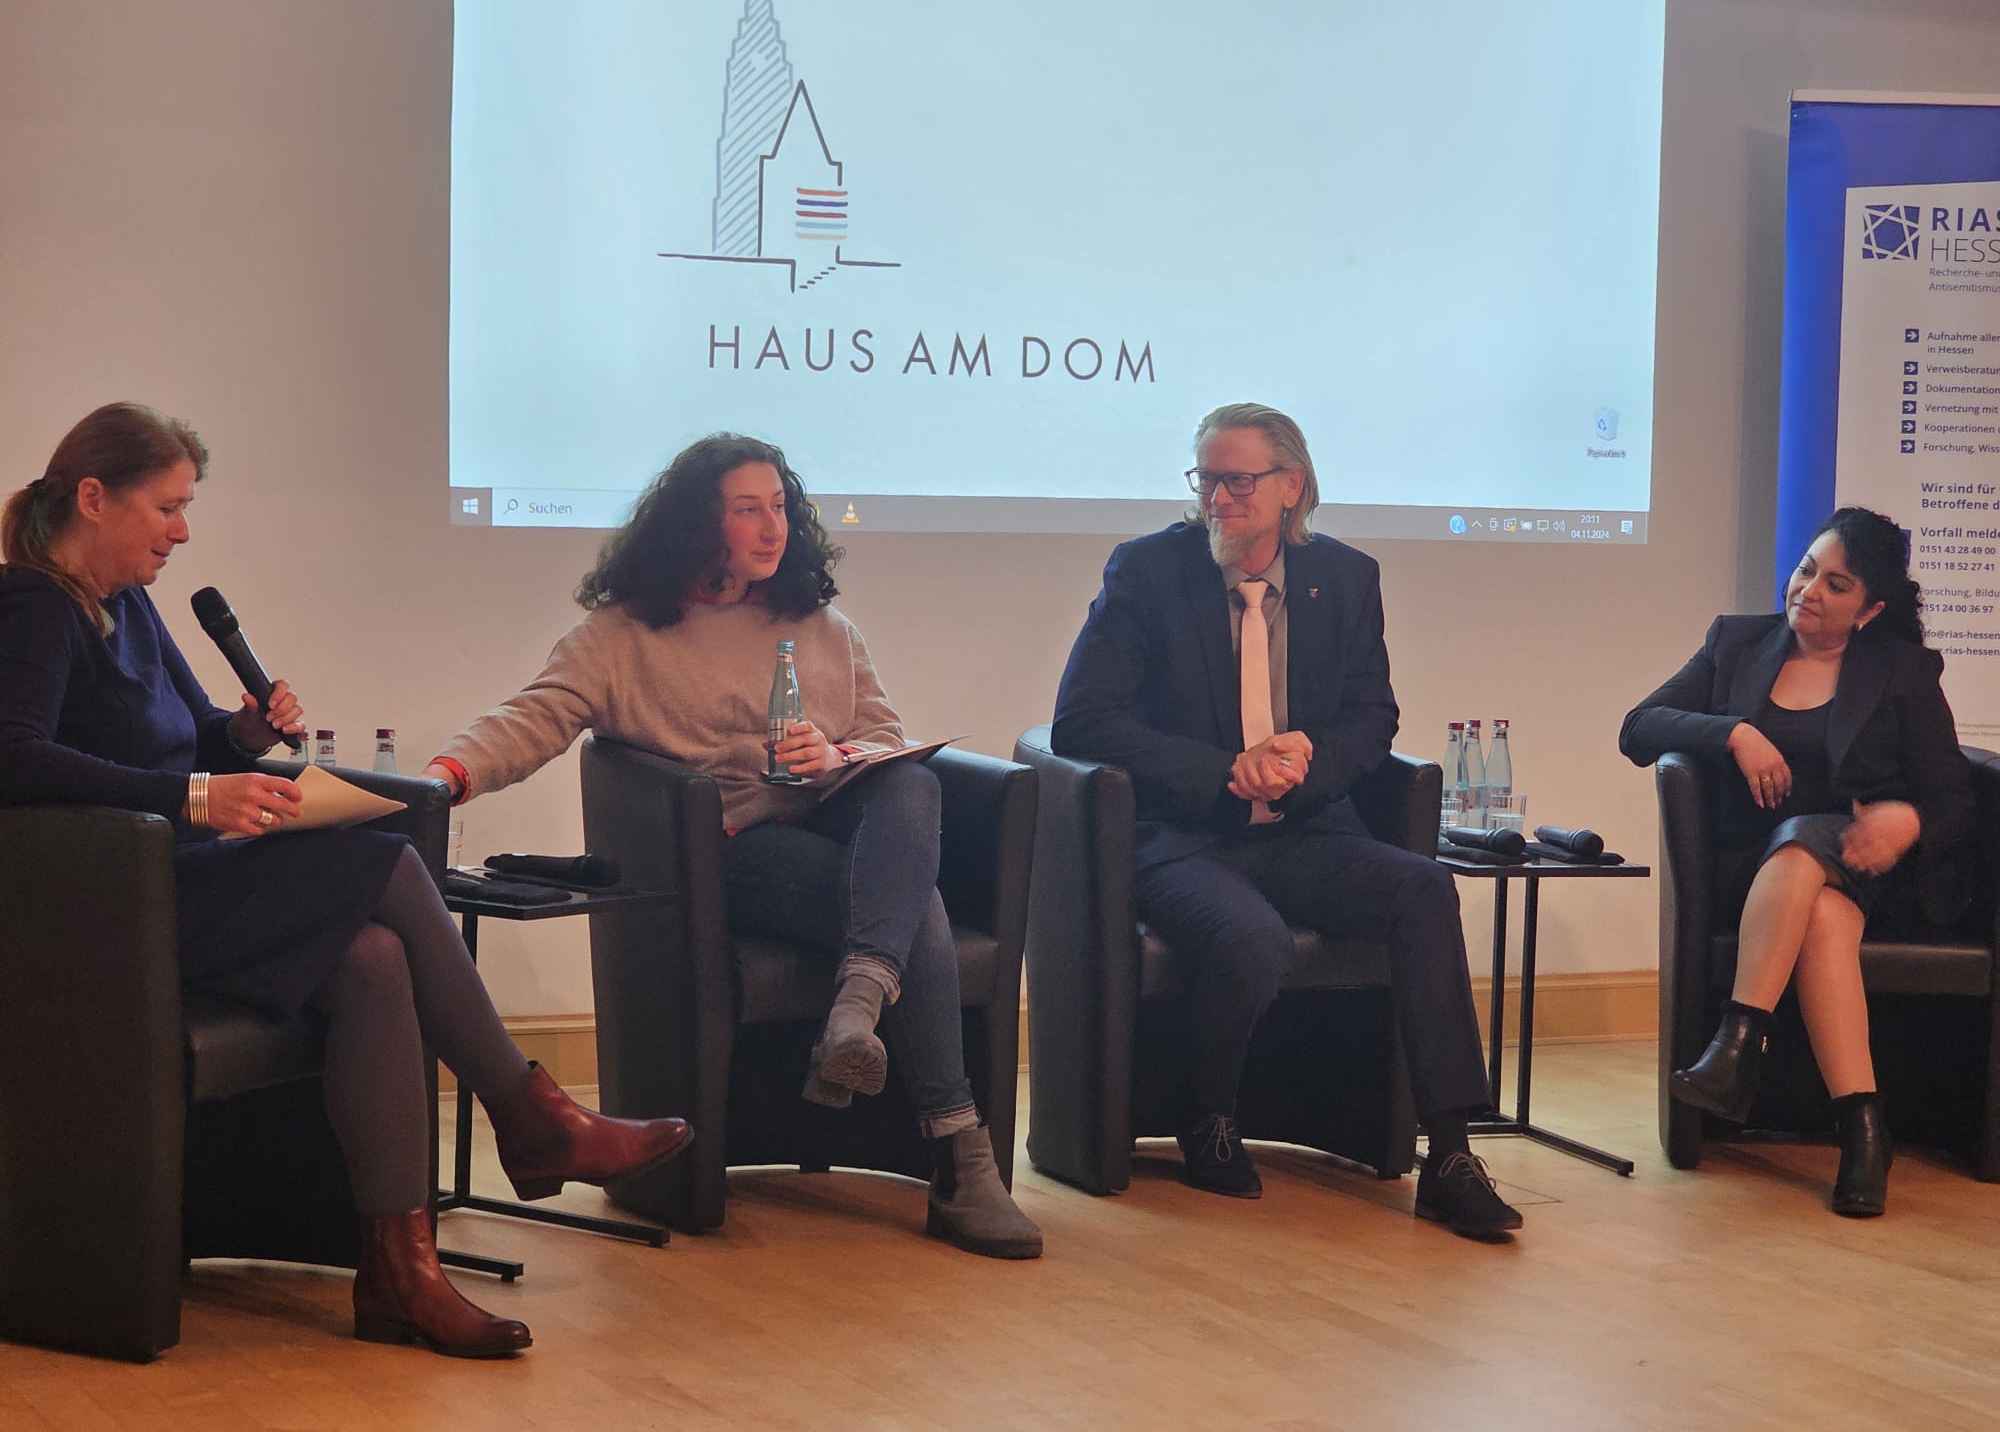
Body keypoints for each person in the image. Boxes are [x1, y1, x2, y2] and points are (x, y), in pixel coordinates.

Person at [0, 403, 693, 1358]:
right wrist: (195, 795)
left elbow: (183, 735)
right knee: (390, 859)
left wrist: (237, 737)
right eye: (166, 507)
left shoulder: (129, 605)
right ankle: (532, 1116)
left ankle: (400, 1277)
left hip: (180, 881)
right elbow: (15, 758)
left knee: (372, 958)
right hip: (115, 910)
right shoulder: (32, 604)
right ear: (91, 497)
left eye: (185, 507)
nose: (183, 530)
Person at [426, 432, 1042, 1260]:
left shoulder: (824, 627)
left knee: (914, 789)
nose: (772, 527)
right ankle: (959, 1153)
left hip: (831, 830)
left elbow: (885, 743)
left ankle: (856, 1014)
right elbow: (535, 716)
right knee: (913, 904)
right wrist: (449, 772)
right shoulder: (625, 636)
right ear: (696, 523)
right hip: (729, 856)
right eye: (748, 509)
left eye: (780, 507)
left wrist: (835, 755)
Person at [1051, 402, 1520, 1238]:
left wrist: (1307, 760)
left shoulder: (1343, 578)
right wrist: (1222, 771)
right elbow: (1082, 722)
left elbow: (1372, 717)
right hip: (1182, 837)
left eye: (1238, 481)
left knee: (1424, 890)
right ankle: (1209, 1114)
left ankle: (1449, 1153)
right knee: (1251, 938)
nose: (1218, 500)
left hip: (1304, 830)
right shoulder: (1148, 572)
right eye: (1207, 480)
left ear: (1291, 487)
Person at [1620, 506, 1973, 1216]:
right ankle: (1864, 1131)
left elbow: (1954, 797)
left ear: (1870, 608)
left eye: (1835, 584)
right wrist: (1735, 733)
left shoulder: (1902, 671)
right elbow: (1639, 727)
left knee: (1810, 849)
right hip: (1757, 871)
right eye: (1807, 569)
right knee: (1818, 911)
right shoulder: (1736, 642)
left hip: (1870, 863)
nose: (1809, 590)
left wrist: (1907, 821)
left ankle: (1737, 1046)